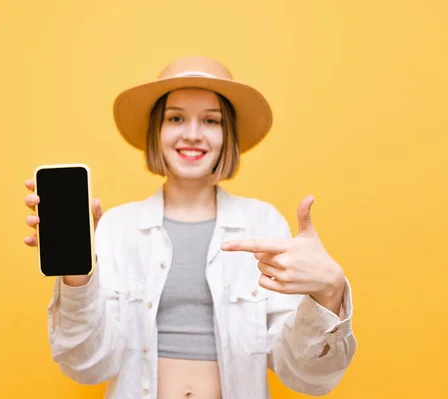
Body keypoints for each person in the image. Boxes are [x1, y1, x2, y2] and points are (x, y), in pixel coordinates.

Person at [23, 56, 356, 399]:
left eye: (211, 120)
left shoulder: (263, 223)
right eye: (176, 118)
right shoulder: (114, 228)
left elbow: (305, 374)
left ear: (227, 135)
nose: (193, 134)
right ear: (157, 130)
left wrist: (327, 296)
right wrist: (78, 277)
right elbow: (86, 366)